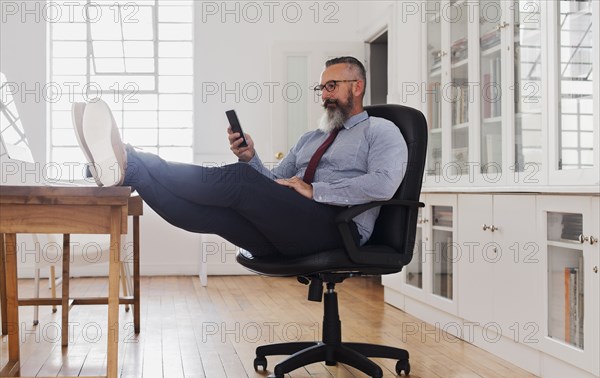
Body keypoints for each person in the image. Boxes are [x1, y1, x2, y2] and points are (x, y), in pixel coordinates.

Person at [73, 56, 407, 257]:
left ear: (358, 86)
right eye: (321, 88)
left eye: (332, 86)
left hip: (337, 230)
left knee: (240, 180)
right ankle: (131, 171)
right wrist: (251, 158)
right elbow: (275, 184)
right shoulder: (311, 138)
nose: (324, 95)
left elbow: (384, 185)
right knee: (218, 215)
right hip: (290, 228)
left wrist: (315, 190)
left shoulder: (381, 131)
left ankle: (130, 158)